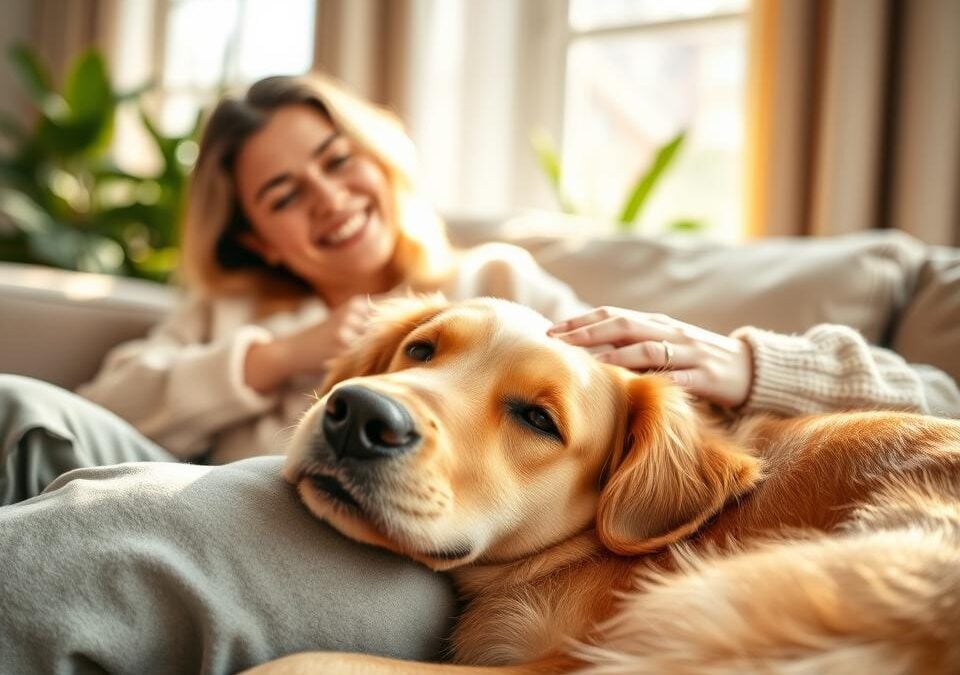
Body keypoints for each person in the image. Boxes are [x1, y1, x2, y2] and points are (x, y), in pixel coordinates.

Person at [1, 72, 957, 674]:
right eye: (287, 193)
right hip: (227, 466)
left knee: (124, 524)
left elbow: (600, 404)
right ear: (255, 233)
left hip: (376, 542)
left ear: (378, 159)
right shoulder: (227, 316)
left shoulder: (494, 283)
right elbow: (104, 403)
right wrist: (290, 352)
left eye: (339, 162)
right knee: (19, 410)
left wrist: (747, 362)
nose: (330, 198)